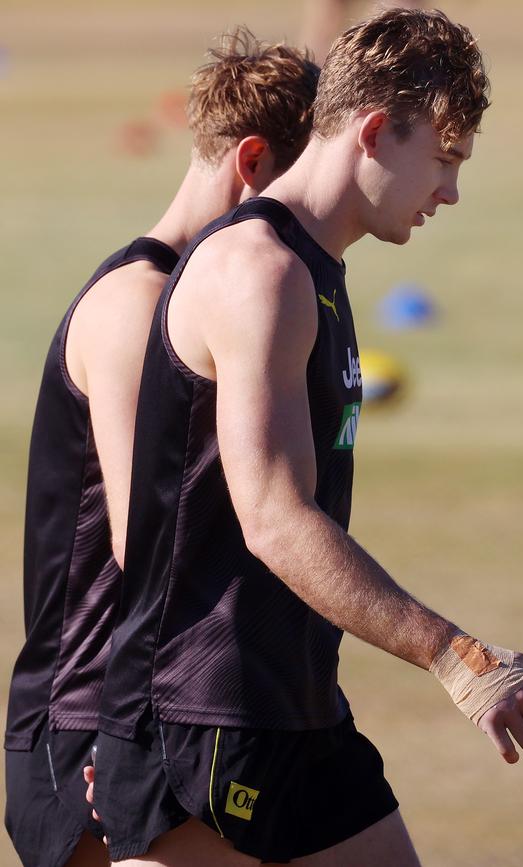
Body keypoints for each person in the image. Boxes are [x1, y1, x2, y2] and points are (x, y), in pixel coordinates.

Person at [92, 8, 523, 867]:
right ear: (377, 132)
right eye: (446, 158)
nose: (451, 191)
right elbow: (274, 516)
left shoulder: (315, 269)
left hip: (293, 702)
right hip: (198, 716)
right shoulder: (258, 273)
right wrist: (453, 654)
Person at [3, 31, 319, 867]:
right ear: (251, 163)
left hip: (149, 708)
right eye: (294, 199)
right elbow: (143, 536)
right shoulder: (138, 306)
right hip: (86, 718)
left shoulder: (194, 299)